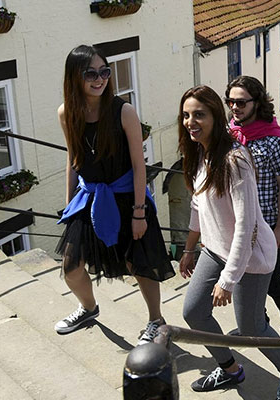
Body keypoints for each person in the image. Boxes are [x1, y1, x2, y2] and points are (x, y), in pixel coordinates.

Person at [177, 85, 280, 397]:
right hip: (216, 250)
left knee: (251, 329)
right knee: (193, 312)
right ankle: (231, 369)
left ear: (215, 117)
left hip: (250, 257)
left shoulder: (235, 160)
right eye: (185, 115)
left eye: (199, 115)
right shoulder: (198, 153)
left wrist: (228, 280)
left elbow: (247, 227)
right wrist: (190, 248)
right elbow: (199, 206)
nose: (190, 122)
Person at [55, 45, 173, 343]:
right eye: (91, 73)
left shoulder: (124, 111)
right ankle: (88, 307)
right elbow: (73, 160)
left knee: (139, 263)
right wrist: (69, 205)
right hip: (90, 198)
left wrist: (138, 212)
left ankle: (156, 320)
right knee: (71, 266)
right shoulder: (67, 112)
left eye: (104, 72)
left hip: (127, 197)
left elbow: (138, 165)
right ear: (74, 77)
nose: (100, 79)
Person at [226, 76, 280, 353]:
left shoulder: (273, 139)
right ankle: (258, 324)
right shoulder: (231, 133)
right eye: (231, 101)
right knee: (245, 275)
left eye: (241, 102)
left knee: (270, 279)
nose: (235, 107)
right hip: (238, 223)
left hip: (267, 223)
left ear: (257, 103)